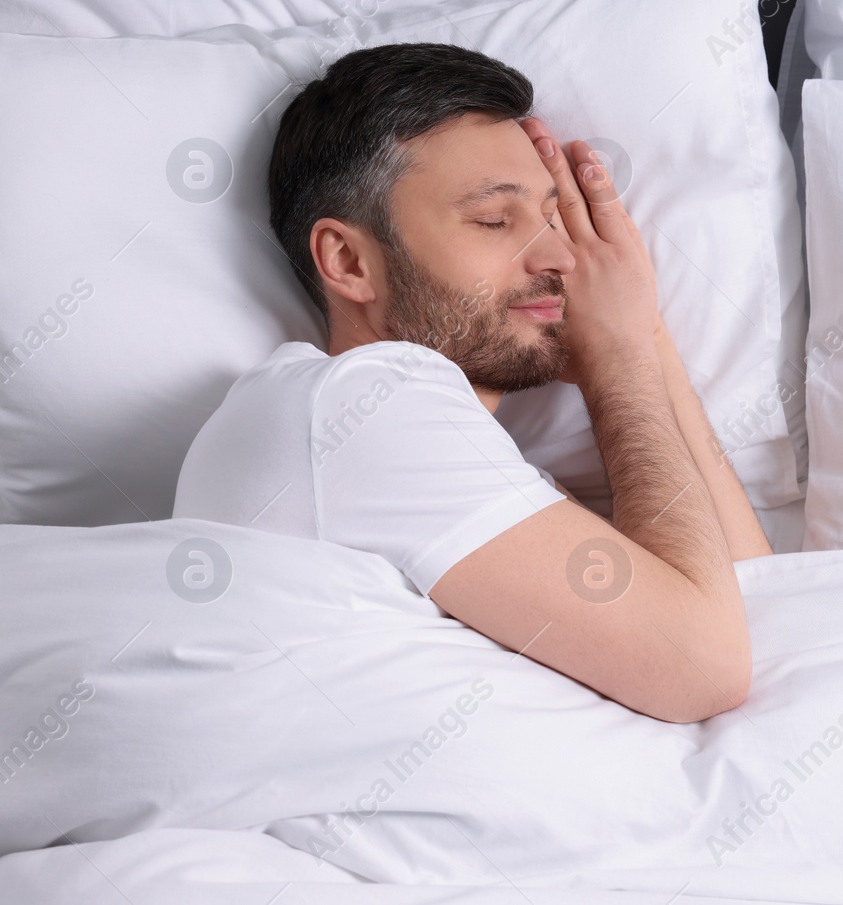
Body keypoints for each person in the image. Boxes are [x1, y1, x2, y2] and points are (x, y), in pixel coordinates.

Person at [173, 42, 770, 723]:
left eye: (554, 216)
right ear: (348, 261)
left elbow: (770, 602)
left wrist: (640, 335)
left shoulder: (487, 484)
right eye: (494, 219)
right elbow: (702, 666)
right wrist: (623, 357)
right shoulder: (355, 405)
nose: (560, 255)